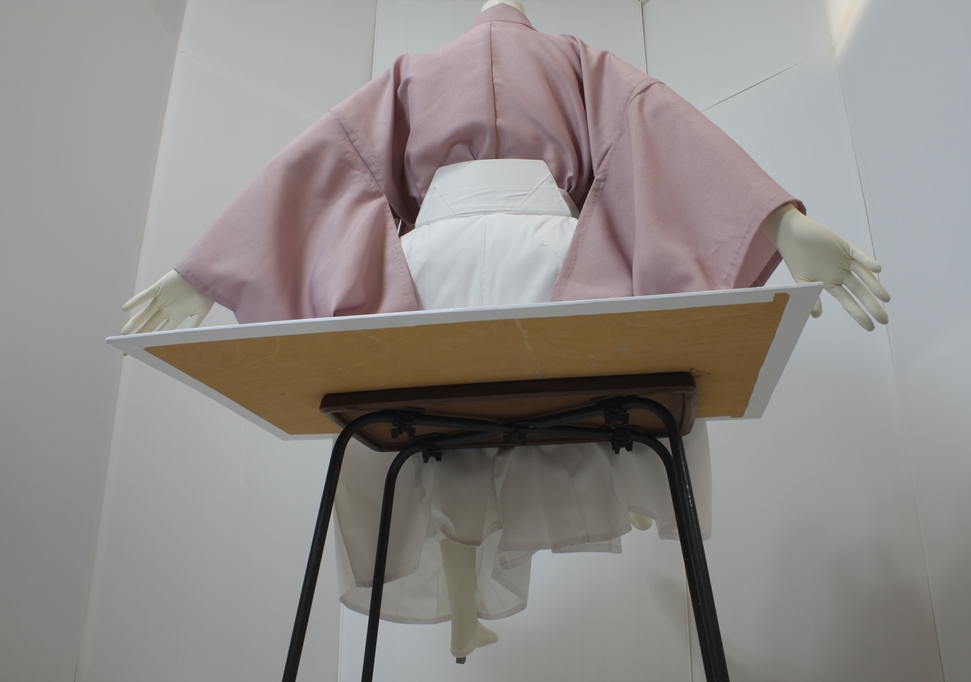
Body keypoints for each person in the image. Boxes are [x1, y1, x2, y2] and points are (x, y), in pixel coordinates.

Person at [122, 0, 889, 661]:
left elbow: (327, 155)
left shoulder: (412, 72)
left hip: (427, 277)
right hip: (552, 262)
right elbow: (653, 125)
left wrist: (205, 272)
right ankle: (614, 486)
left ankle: (464, 606)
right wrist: (778, 227)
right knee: (610, 382)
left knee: (431, 432)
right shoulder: (573, 57)